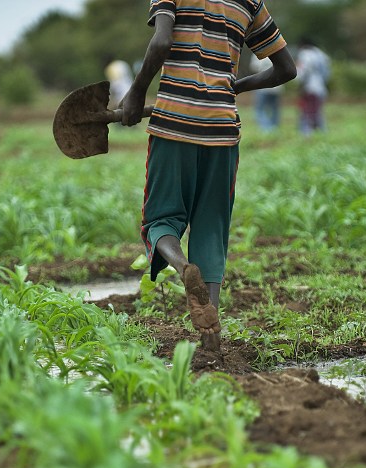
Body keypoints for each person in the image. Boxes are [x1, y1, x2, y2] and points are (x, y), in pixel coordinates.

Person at [120, 0, 296, 352]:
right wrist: (234, 86)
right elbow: (285, 69)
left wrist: (136, 92)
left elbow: (161, 41)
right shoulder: (250, 3)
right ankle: (211, 338)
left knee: (160, 221)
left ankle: (183, 266)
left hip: (173, 124)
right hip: (222, 130)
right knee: (211, 230)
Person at [295, 36, 331, 136]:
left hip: (309, 87)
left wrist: (299, 82)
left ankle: (307, 133)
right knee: (317, 111)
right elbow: (327, 72)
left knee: (307, 111)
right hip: (320, 86)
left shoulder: (305, 54)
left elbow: (303, 72)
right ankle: (321, 132)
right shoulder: (320, 54)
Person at [250, 54, 282, 131]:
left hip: (262, 86)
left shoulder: (258, 52)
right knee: (274, 109)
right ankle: (274, 128)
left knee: (260, 109)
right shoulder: (278, 51)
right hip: (277, 86)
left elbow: (254, 67)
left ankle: (266, 129)